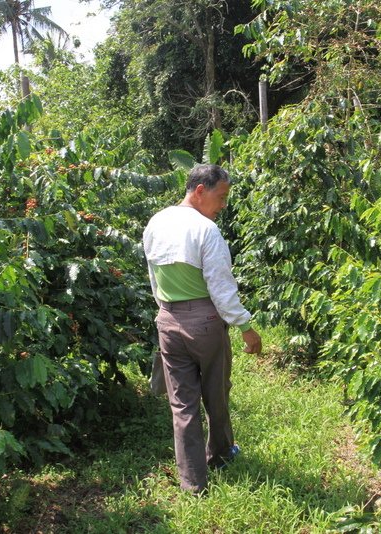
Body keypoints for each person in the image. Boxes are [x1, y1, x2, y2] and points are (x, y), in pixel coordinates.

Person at [143, 164, 262, 495]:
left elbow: (154, 278)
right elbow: (221, 287)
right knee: (216, 392)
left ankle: (193, 483)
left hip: (168, 320)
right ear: (199, 191)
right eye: (220, 197)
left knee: (182, 404)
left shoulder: (156, 222)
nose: (222, 206)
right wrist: (245, 326)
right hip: (205, 323)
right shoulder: (205, 230)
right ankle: (221, 455)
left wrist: (167, 311)